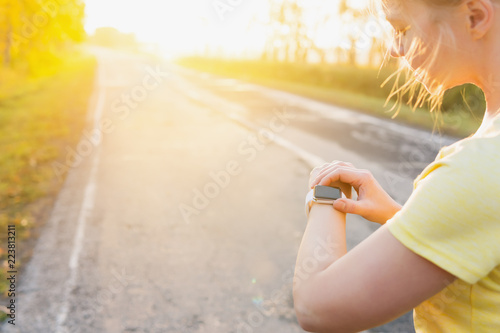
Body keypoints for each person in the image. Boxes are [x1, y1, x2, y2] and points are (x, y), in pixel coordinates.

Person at [293, 0, 500, 332]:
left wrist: (325, 196)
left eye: (402, 28)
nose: (394, 49)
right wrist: (397, 215)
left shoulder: (482, 165)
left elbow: (316, 307)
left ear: (475, 16)